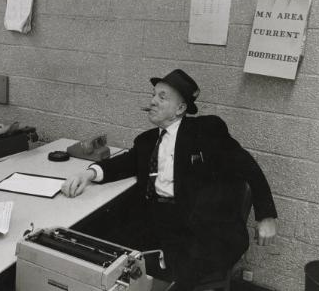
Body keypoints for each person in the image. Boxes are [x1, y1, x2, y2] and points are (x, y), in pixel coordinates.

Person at [61, 69, 278, 290]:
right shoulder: (146, 141)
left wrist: (266, 215)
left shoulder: (207, 130)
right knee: (99, 245)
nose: (153, 101)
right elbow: (125, 162)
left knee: (167, 271)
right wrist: (88, 173)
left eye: (162, 97)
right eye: (153, 95)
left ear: (181, 109)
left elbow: (248, 166)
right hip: (159, 221)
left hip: (202, 229)